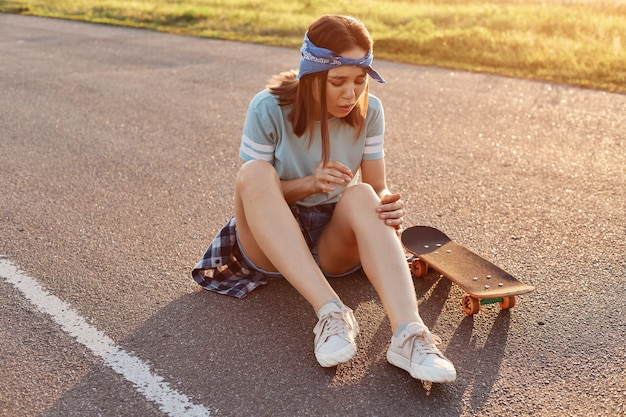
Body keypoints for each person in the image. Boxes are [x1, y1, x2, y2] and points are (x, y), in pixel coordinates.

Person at [192, 14, 456, 383]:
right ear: (313, 76)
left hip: (334, 239)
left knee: (363, 193)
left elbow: (376, 184)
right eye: (338, 82)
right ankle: (331, 313)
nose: (351, 94)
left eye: (360, 81)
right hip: (270, 239)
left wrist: (387, 202)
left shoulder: (371, 111)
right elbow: (257, 194)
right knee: (253, 173)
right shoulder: (267, 108)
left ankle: (410, 336)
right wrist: (309, 183)